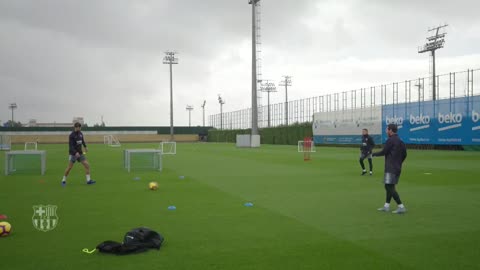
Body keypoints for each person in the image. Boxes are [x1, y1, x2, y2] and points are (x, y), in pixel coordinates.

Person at [372, 124, 407, 214]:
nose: (386, 131)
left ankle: (401, 206)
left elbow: (384, 152)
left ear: (390, 130)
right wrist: (399, 162)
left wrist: (373, 154)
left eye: (387, 129)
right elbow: (404, 154)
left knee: (388, 186)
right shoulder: (400, 140)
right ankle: (386, 206)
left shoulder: (390, 140)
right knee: (390, 186)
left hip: (390, 167)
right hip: (397, 167)